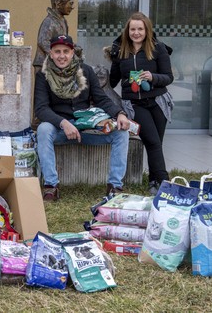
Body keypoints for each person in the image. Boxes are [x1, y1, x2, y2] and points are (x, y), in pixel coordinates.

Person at [35, 35, 131, 201]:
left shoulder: (86, 71)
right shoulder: (43, 75)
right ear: (51, 53)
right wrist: (63, 123)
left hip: (86, 127)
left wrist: (119, 114)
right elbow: (41, 109)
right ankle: (51, 186)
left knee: (121, 133)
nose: (62, 55)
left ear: (72, 53)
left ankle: (115, 186)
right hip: (59, 129)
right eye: (57, 51)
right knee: (43, 129)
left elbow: (101, 98)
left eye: (66, 51)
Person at [109, 12, 174, 195]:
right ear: (127, 31)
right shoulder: (121, 51)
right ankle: (163, 182)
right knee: (152, 141)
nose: (136, 33)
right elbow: (112, 80)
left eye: (140, 29)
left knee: (156, 143)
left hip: (158, 101)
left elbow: (169, 77)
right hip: (134, 104)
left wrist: (152, 77)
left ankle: (153, 180)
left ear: (147, 30)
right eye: (132, 29)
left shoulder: (158, 48)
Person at [33, 0, 81, 68]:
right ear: (58, 4)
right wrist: (58, 56)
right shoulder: (49, 21)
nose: (72, 7)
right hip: (44, 65)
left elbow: (63, 40)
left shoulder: (63, 21)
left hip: (56, 65)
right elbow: (43, 42)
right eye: (70, 3)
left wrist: (72, 47)